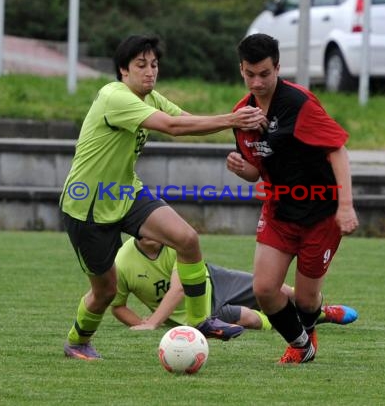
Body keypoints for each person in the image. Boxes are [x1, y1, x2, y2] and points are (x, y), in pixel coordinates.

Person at [60, 35, 266, 360]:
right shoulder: (114, 96)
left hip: (125, 192)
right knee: (106, 291)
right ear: (122, 70)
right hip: (87, 206)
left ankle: (200, 321)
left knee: (187, 239)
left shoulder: (151, 98)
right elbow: (172, 127)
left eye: (154, 65)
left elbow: (185, 120)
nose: (149, 72)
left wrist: (239, 128)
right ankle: (77, 342)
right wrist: (232, 119)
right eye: (141, 65)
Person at [226, 33, 359, 364]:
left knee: (306, 300)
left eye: (264, 74)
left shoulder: (300, 104)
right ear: (241, 69)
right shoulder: (242, 114)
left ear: (278, 68)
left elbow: (338, 151)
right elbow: (256, 171)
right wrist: (241, 168)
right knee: (265, 289)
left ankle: (309, 325)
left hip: (321, 213)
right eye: (249, 74)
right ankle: (302, 345)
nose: (256, 82)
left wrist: (345, 206)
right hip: (279, 209)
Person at [110, 237, 358, 330]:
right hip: (200, 310)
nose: (157, 229)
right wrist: (142, 324)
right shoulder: (123, 261)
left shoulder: (176, 242)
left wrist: (153, 322)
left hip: (214, 278)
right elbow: (117, 305)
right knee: (249, 318)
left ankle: (322, 313)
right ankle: (293, 325)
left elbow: (181, 285)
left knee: (273, 289)